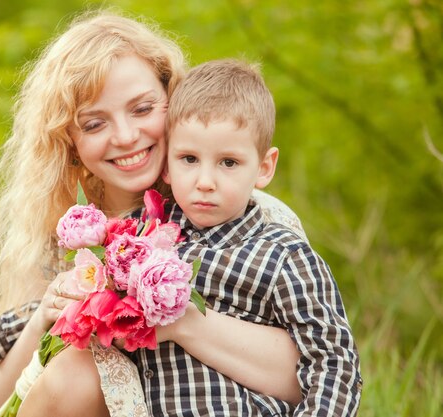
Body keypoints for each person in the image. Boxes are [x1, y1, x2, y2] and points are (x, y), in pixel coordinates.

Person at [0, 10, 309, 417]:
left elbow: (307, 373)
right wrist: (42, 320)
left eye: (142, 109)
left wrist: (179, 321)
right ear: (69, 143)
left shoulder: (240, 215)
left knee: (77, 372)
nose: (125, 136)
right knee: (73, 369)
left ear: (173, 102)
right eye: (94, 124)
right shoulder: (74, 232)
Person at [129, 58, 362, 415]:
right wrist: (14, 328)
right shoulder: (142, 238)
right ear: (166, 164)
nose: (205, 181)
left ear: (264, 167)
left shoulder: (284, 257)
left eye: (228, 163)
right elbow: (82, 298)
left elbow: (334, 365)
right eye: (189, 159)